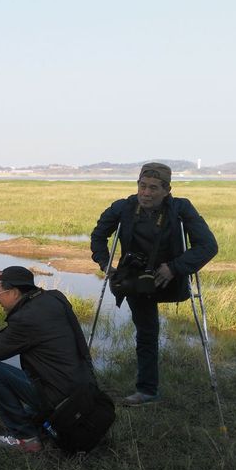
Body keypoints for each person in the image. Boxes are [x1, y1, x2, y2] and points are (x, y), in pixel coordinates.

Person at [90, 162, 218, 406]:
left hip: (171, 278)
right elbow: (98, 235)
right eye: (142, 186)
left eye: (153, 188)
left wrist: (174, 267)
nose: (146, 193)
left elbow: (208, 246)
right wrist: (105, 263)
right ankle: (147, 391)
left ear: (167, 190)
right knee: (147, 334)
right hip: (135, 280)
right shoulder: (124, 207)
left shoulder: (181, 208)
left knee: (147, 333)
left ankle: (147, 389)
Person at [0, 266, 108, 452]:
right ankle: (38, 420)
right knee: (29, 413)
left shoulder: (25, 319)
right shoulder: (55, 297)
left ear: (13, 292)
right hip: (82, 390)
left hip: (60, 399)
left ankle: (26, 438)